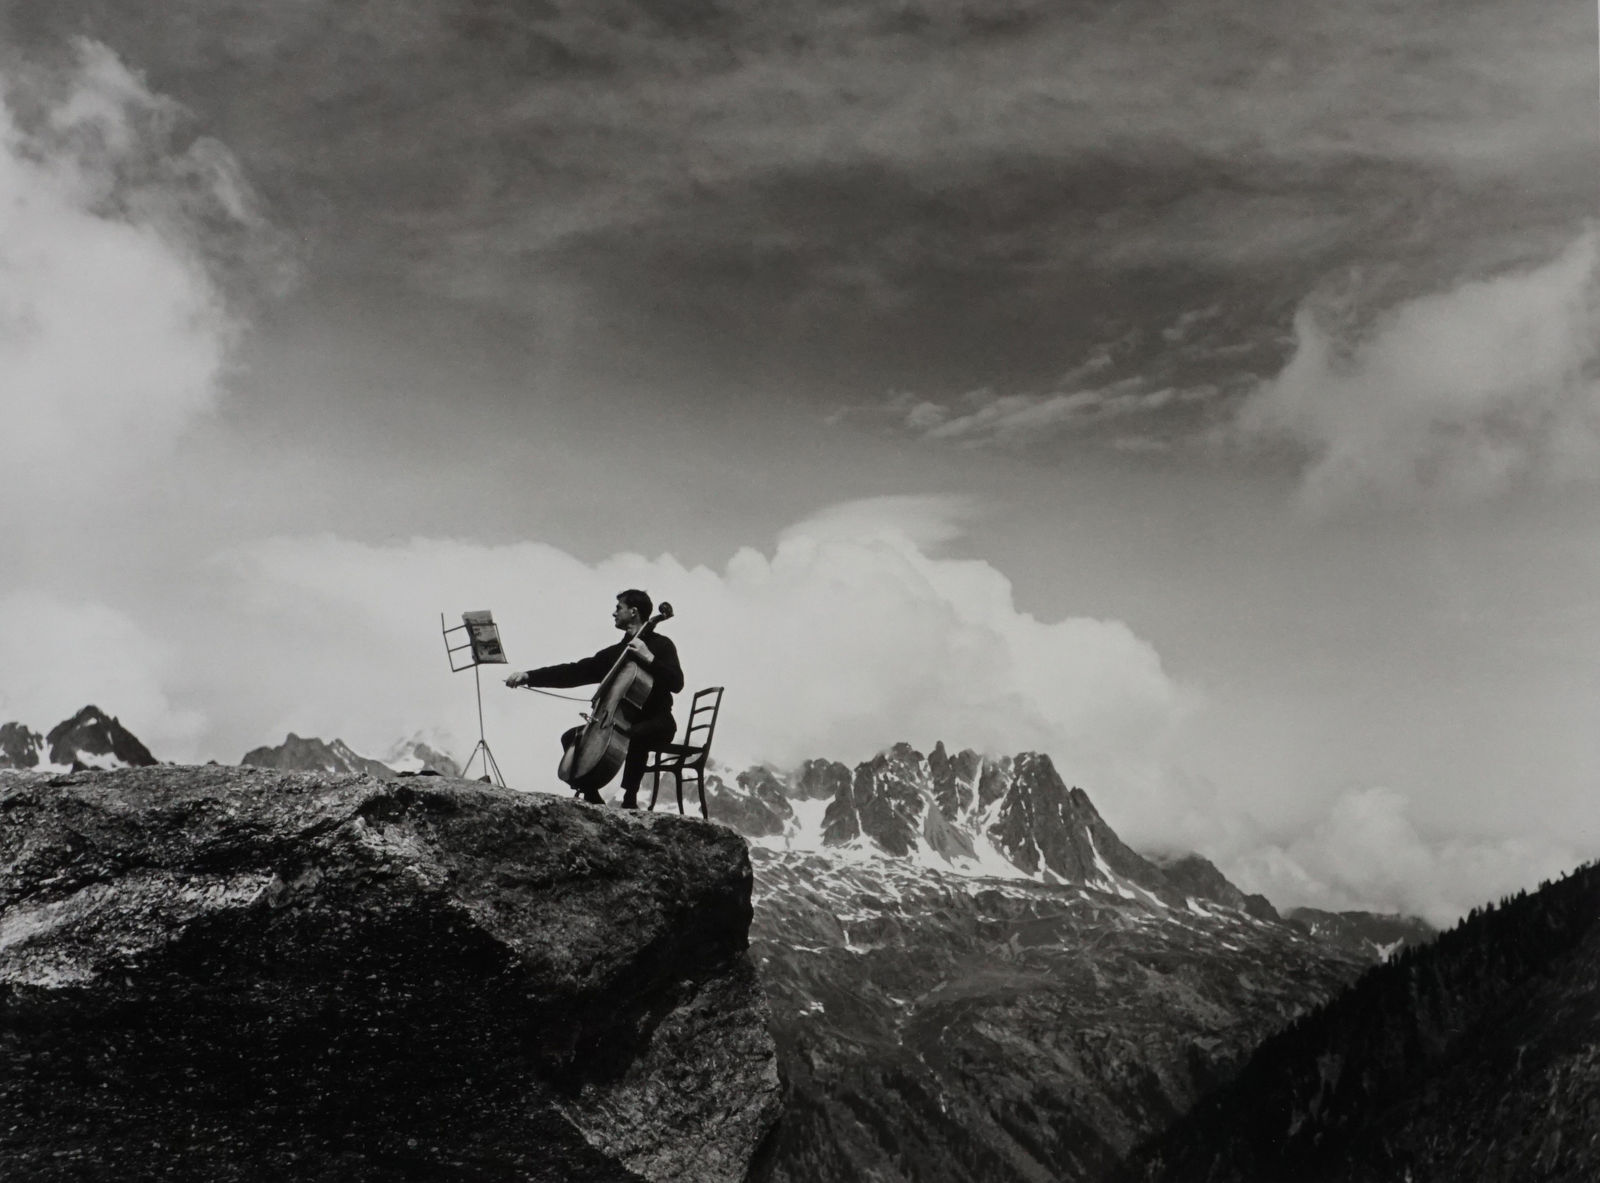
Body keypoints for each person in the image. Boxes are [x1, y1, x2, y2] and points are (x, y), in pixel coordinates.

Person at [505, 589, 683, 808]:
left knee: (634, 734)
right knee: (571, 737)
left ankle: (629, 799)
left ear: (634, 612)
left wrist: (649, 657)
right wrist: (530, 676)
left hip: (658, 721)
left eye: (619, 608)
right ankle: (591, 795)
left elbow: (677, 683)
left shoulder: (662, 645)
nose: (614, 613)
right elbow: (574, 671)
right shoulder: (615, 653)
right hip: (618, 721)